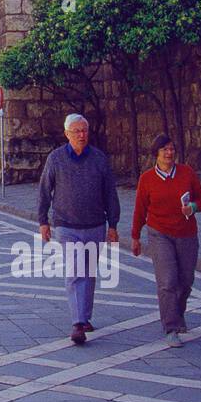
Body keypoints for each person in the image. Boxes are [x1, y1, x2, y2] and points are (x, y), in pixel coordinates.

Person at [37, 113, 120, 346]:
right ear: (67, 134)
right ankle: (77, 323)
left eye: (84, 130)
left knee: (89, 273)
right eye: (76, 131)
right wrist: (43, 221)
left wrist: (113, 225)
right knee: (75, 272)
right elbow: (44, 190)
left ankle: (85, 316)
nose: (81, 135)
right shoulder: (55, 159)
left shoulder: (99, 159)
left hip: (94, 224)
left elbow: (110, 194)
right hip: (67, 225)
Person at [133, 134, 201, 347]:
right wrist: (135, 236)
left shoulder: (187, 173)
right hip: (159, 233)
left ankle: (178, 313)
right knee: (167, 281)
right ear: (156, 153)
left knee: (185, 281)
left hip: (186, 234)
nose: (169, 153)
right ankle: (171, 327)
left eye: (172, 149)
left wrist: (192, 207)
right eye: (164, 149)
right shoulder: (146, 179)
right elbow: (140, 209)